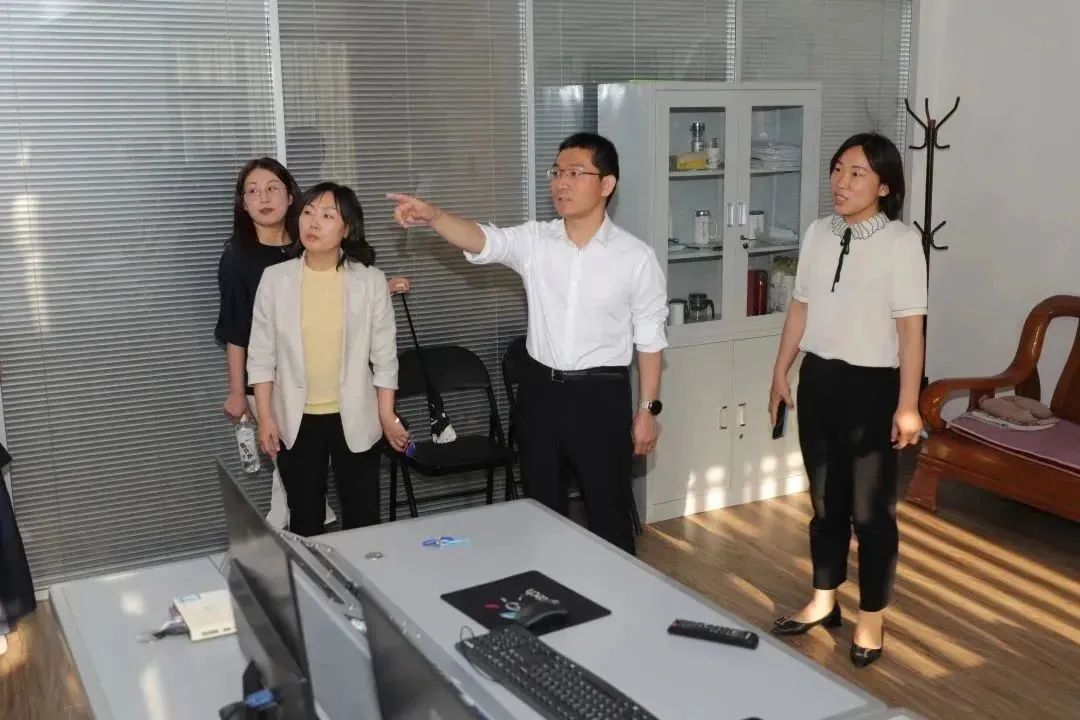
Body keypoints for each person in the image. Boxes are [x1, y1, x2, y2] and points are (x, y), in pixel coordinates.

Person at [388, 132, 668, 555]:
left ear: (606, 184)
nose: (561, 183)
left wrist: (646, 410)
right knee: (540, 511)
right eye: (557, 172)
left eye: (575, 173)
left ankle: (618, 592)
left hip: (600, 395)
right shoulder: (536, 241)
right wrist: (434, 216)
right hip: (540, 393)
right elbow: (484, 240)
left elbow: (650, 339)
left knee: (608, 510)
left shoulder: (636, 257)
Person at [767, 132, 926, 668]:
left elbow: (910, 332)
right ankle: (823, 600)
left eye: (856, 172)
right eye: (838, 169)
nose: (841, 181)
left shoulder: (902, 243)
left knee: (871, 512)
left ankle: (871, 618)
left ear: (884, 186)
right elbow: (800, 308)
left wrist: (909, 404)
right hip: (819, 380)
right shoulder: (818, 233)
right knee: (825, 502)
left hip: (873, 387)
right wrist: (781, 370)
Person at [214, 158, 410, 529]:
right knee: (305, 520)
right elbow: (261, 357)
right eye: (308, 213)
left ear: (347, 228)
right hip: (295, 419)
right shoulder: (275, 279)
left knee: (364, 520)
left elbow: (385, 358)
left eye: (327, 216)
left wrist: (387, 415)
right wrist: (265, 418)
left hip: (357, 416)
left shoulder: (370, 281)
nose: (313, 223)